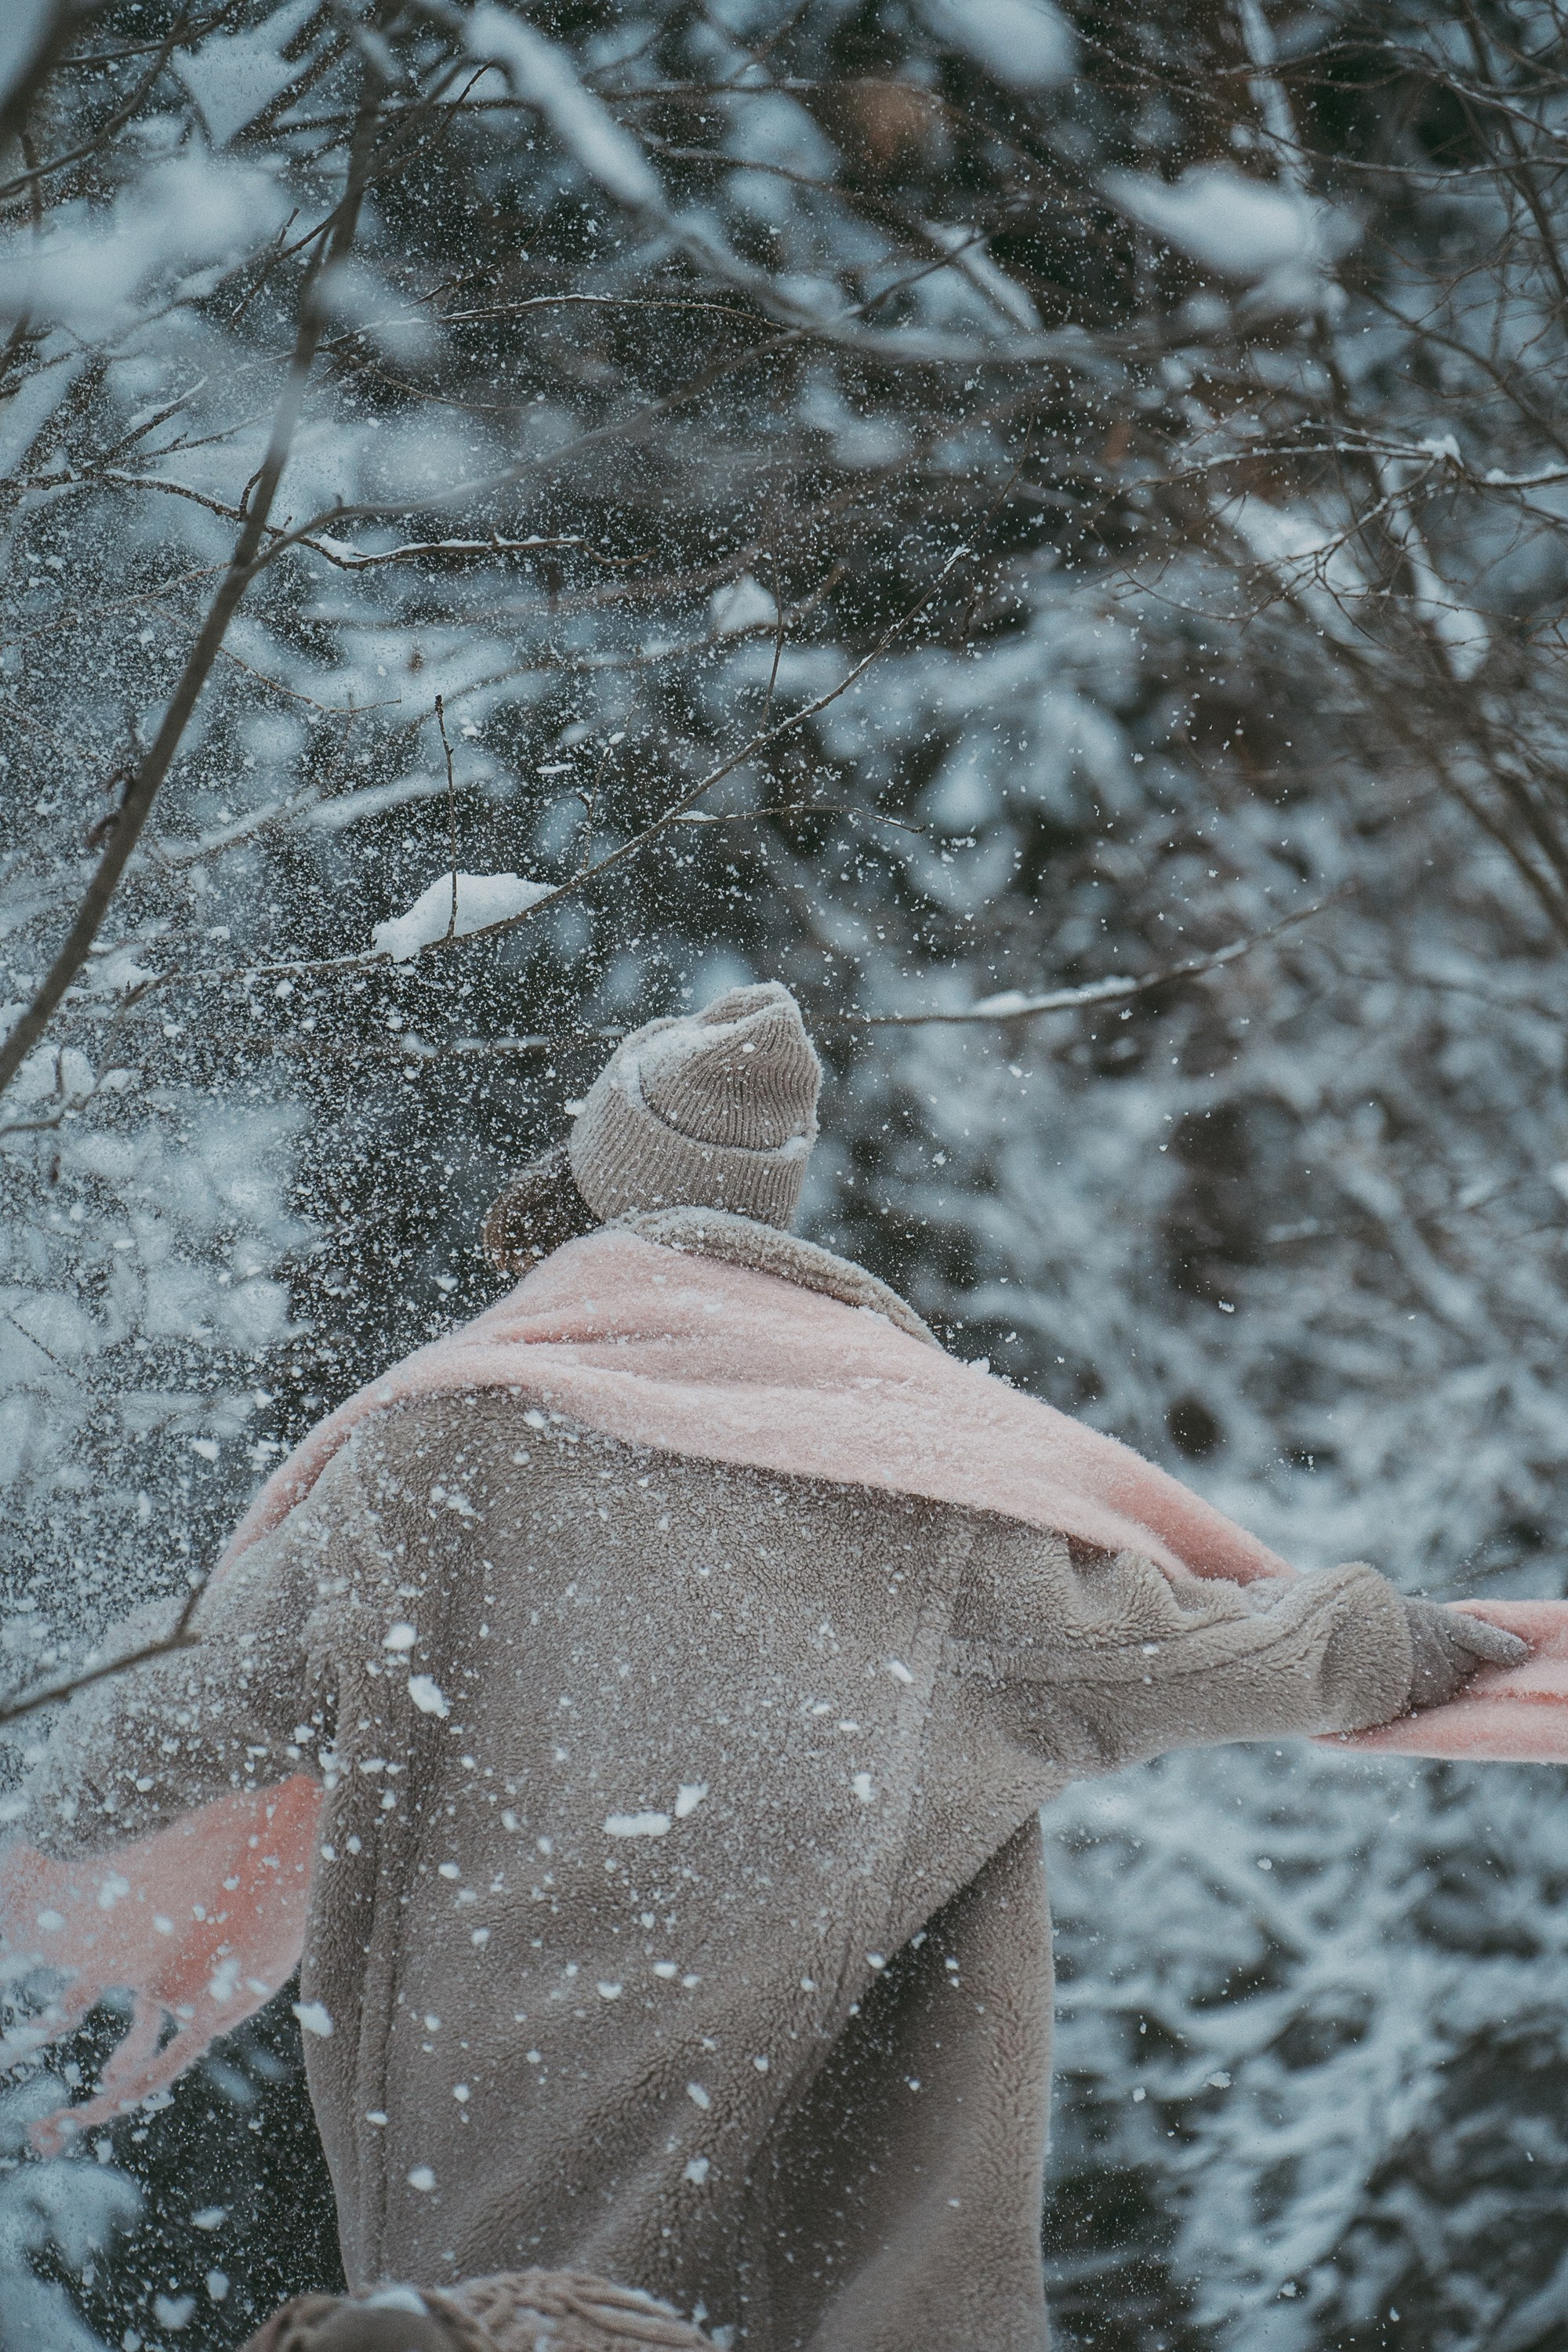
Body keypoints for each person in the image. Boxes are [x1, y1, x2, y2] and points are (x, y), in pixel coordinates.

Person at [9, 983, 1529, 2352]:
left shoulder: (436, 1456)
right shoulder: (926, 1480)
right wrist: (1395, 1648)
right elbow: (1182, 1647)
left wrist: (51, 1773)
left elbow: (163, 1721)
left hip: (496, 2091)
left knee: (509, 2309)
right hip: (836, 2155)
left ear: (589, 1195)